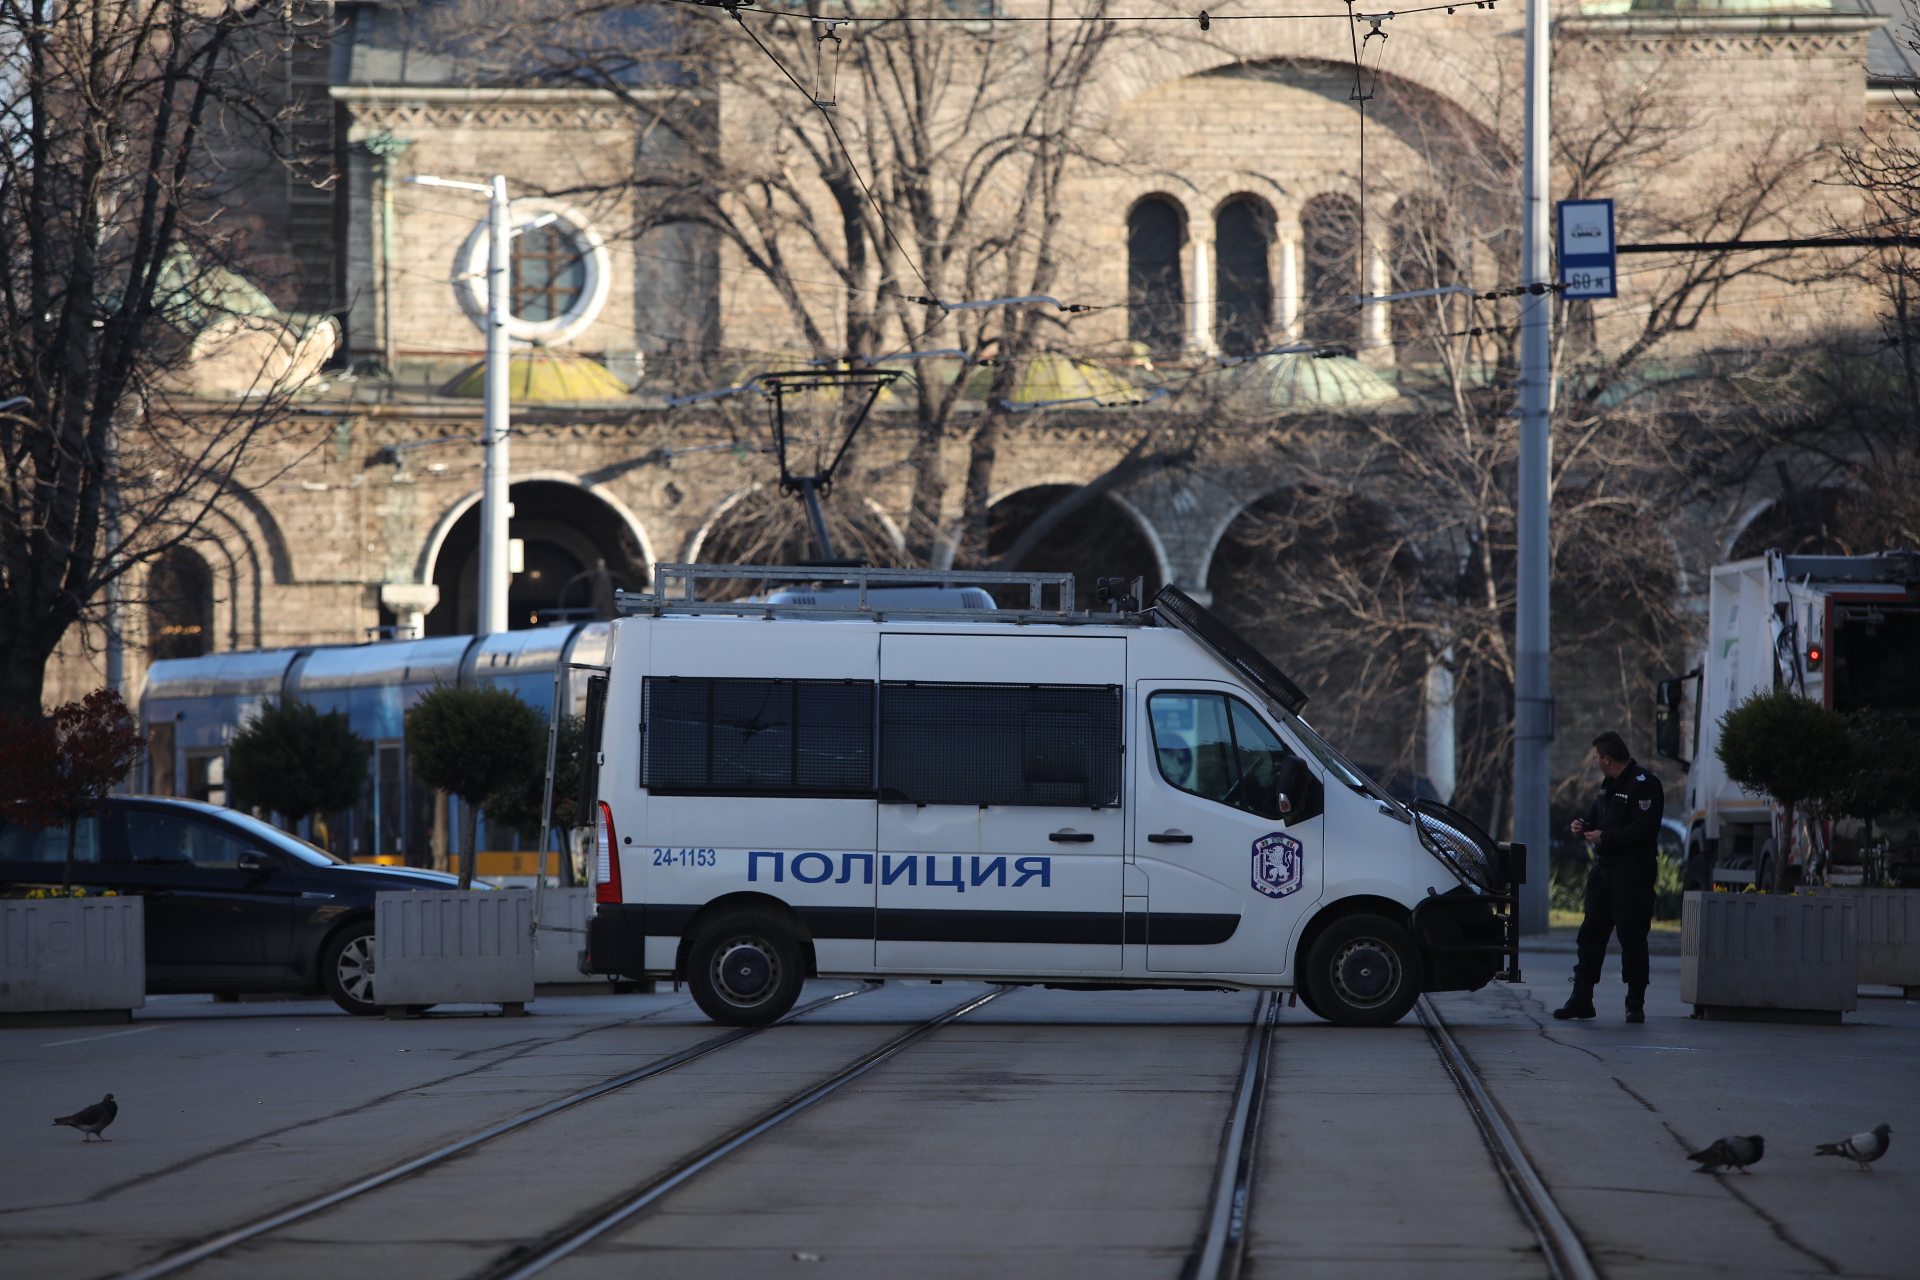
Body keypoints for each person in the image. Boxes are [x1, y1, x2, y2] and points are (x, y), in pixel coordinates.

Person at [1554, 731, 1664, 1024]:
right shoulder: (1609, 785)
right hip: (1605, 870)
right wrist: (1583, 824)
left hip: (1632, 872)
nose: (1595, 763)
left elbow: (1645, 828)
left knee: (1632, 937)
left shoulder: (1644, 784)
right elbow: (1596, 815)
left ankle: (1635, 1002)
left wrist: (1607, 837)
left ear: (1607, 759)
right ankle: (1581, 998)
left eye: (1596, 758)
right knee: (1591, 934)